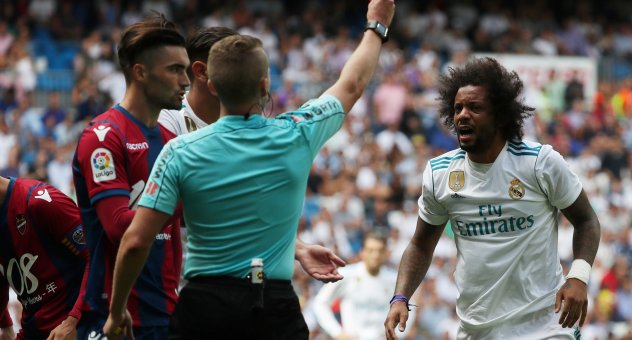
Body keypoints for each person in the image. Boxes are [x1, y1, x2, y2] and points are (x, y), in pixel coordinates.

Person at [103, 0, 396, 338]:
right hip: (272, 304)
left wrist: (116, 310)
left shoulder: (178, 151)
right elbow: (352, 83)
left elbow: (136, 240)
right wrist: (377, 25)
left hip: (202, 307)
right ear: (264, 85)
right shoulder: (297, 133)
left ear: (213, 85)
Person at [384, 57, 601, 340]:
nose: (462, 115)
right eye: (458, 108)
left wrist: (578, 276)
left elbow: (586, 221)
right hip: (478, 329)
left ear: (499, 115)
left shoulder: (539, 163)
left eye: (475, 107)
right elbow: (421, 245)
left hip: (545, 324)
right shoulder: (440, 174)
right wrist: (400, 297)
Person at [159, 26, 347, 282]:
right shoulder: (168, 122)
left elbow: (241, 202)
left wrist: (298, 246)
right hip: (180, 283)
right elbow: (169, 210)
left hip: (242, 286)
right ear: (203, 72)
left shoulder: (248, 128)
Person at [71, 14, 189, 339]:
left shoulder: (170, 138)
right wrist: (185, 198)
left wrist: (295, 245)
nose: (185, 81)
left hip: (165, 313)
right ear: (140, 72)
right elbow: (120, 227)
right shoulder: (104, 137)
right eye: (175, 70)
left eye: (187, 69)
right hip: (114, 320)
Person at [0, 176, 88, 340]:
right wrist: (5, 325)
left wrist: (74, 320)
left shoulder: (39, 201)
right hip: (34, 330)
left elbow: (98, 259)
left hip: (76, 326)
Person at [313, 230, 414, 340]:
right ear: (362, 252)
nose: (375, 255)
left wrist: (397, 335)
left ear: (386, 253)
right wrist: (337, 333)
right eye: (370, 250)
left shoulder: (394, 280)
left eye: (380, 250)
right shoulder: (346, 275)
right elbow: (320, 303)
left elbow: (409, 308)